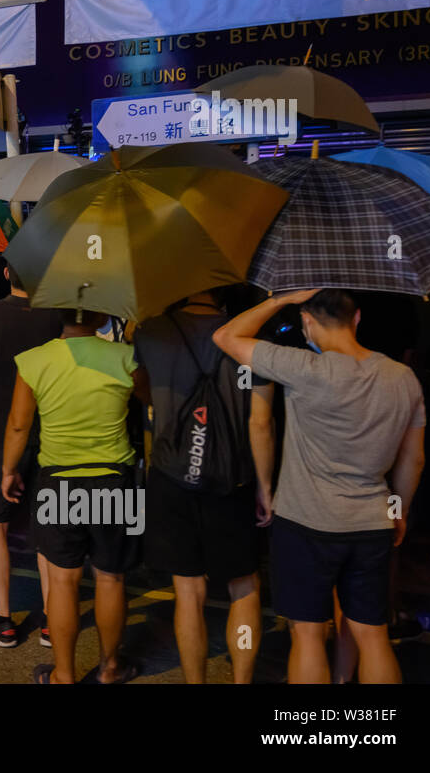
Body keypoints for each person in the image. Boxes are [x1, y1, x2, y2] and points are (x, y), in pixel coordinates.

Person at [214, 289, 426, 684]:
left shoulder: (301, 366)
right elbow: (413, 460)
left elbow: (226, 336)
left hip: (305, 523)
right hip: (371, 523)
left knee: (308, 635)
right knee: (373, 635)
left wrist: (280, 302)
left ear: (307, 322)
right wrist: (398, 512)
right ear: (357, 318)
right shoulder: (403, 378)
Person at [133, 290, 275, 683]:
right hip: (233, 481)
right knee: (244, 587)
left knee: (188, 592)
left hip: (171, 475)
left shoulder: (151, 332)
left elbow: (140, 389)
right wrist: (265, 487)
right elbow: (260, 423)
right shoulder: (252, 340)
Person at [6, 308, 142, 684]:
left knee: (64, 581)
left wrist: (8, 470)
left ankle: (64, 674)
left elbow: (19, 425)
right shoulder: (125, 357)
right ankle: (110, 668)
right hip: (116, 480)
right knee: (111, 579)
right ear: (99, 314)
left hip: (57, 482)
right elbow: (148, 402)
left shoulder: (33, 361)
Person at [0, 266, 62, 647]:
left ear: (7, 273)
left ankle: (4, 622)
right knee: (49, 529)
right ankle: (53, 623)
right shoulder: (55, 316)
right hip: (46, 434)